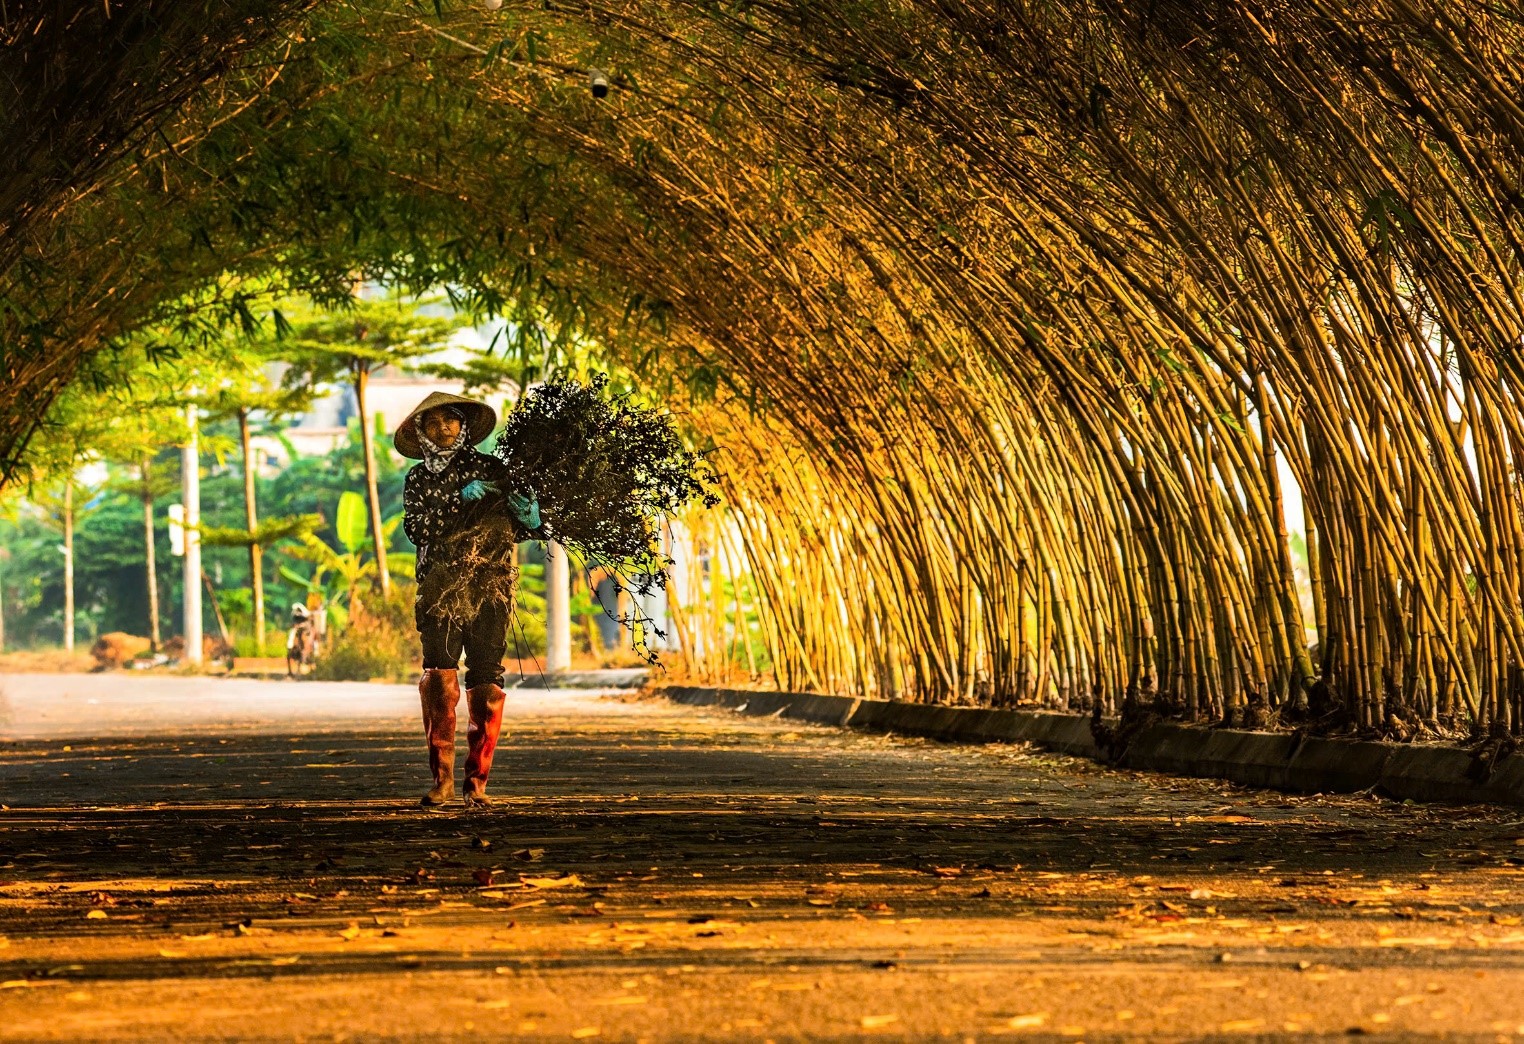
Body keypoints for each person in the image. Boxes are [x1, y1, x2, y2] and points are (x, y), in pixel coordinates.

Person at [395, 391, 522, 808]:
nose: (443, 429)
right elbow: (418, 528)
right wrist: (457, 499)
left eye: (449, 420)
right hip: (439, 586)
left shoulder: (491, 469)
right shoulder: (418, 479)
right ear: (422, 433)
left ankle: (477, 783)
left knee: (487, 678)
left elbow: (513, 525)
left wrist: (533, 515)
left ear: (462, 424)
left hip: (489, 583)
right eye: (433, 424)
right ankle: (443, 780)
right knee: (440, 677)